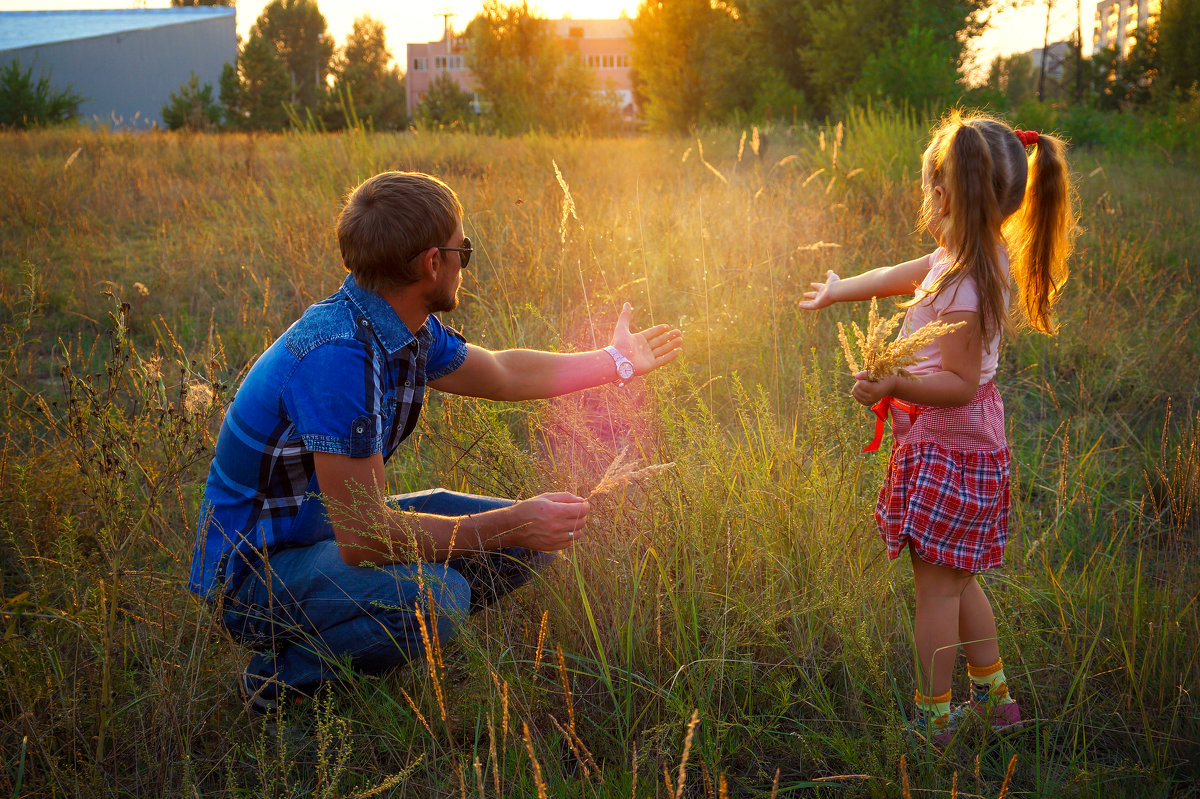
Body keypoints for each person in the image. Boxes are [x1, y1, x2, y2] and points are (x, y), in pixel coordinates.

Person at [188, 171, 683, 712]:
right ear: (431, 263)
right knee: (441, 595)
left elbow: (500, 374)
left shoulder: (394, 323)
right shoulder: (338, 358)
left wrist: (617, 363)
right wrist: (515, 521)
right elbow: (365, 539)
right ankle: (277, 684)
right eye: (462, 251)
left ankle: (366, 632)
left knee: (520, 544)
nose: (463, 265)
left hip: (316, 530)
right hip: (255, 576)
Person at [799, 112, 1074, 744]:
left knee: (937, 592)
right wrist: (843, 289)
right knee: (957, 576)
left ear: (948, 193)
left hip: (952, 448)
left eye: (931, 182)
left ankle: (935, 720)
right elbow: (907, 272)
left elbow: (960, 384)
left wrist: (895, 385)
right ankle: (996, 700)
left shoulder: (968, 286)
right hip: (961, 444)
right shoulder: (966, 256)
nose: (926, 193)